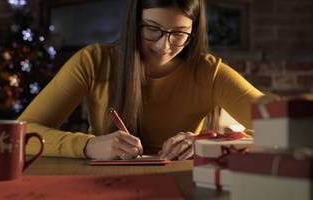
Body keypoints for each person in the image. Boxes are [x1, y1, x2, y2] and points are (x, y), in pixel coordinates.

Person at [18, 0, 264, 161]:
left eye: (178, 34)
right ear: (134, 23)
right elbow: (22, 131)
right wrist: (88, 146)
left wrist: (207, 144)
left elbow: (283, 126)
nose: (163, 46)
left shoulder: (209, 72)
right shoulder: (93, 61)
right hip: (102, 186)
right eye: (152, 29)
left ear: (193, 32)